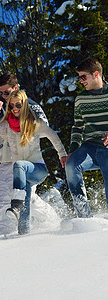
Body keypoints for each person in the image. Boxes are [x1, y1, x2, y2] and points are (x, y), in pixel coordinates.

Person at [0, 72, 49, 235]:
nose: (3, 96)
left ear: (16, 88)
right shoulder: (0, 107)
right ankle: (3, 235)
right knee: (2, 199)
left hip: (25, 160)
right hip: (5, 159)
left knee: (26, 198)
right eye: (0, 92)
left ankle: (49, 219)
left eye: (6, 92)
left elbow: (45, 126)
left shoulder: (31, 105)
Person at [0, 89, 67, 234]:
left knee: (18, 165)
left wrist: (62, 154)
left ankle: (16, 203)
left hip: (37, 170)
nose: (15, 109)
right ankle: (24, 236)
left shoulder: (35, 123)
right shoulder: (7, 126)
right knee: (24, 217)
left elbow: (53, 137)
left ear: (24, 104)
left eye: (18, 105)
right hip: (22, 177)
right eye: (11, 106)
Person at [64, 57, 108, 218]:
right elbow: (78, 127)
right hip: (89, 147)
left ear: (96, 74)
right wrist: (72, 150)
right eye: (79, 77)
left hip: (107, 148)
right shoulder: (81, 99)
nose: (81, 81)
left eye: (84, 77)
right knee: (71, 165)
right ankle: (84, 216)